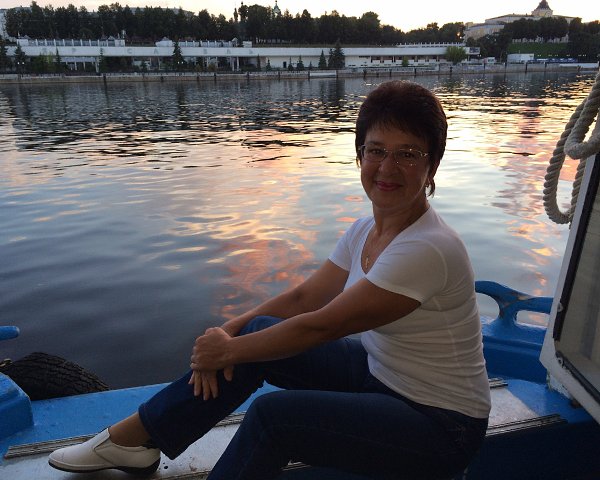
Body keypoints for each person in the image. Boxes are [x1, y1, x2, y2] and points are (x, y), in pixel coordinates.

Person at [48, 81, 491, 480]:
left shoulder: (428, 248)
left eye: (408, 154)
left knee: (273, 419)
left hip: (440, 425)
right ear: (360, 156)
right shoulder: (365, 230)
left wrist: (226, 351)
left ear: (432, 165)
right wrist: (230, 330)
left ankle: (136, 439)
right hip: (381, 376)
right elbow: (304, 298)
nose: (387, 167)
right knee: (259, 330)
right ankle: (136, 440)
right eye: (376, 150)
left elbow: (323, 325)